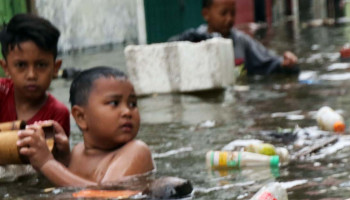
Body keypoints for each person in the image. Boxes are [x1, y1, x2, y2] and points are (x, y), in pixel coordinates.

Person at [16, 67, 154, 187]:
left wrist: (47, 164)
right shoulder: (77, 151)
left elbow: (109, 196)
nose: (127, 112)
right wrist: (61, 159)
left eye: (132, 104)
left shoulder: (136, 151)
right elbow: (69, 185)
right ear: (81, 117)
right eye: (114, 103)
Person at [0, 14, 71, 136]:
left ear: (55, 68)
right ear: (6, 67)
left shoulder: (58, 114)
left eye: (41, 65)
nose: (31, 75)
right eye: (21, 65)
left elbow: (57, 155)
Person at [170, 0, 299, 76]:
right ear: (206, 14)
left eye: (233, 13)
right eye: (223, 13)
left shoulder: (242, 42)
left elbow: (267, 60)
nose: (229, 19)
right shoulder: (192, 39)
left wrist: (284, 63)